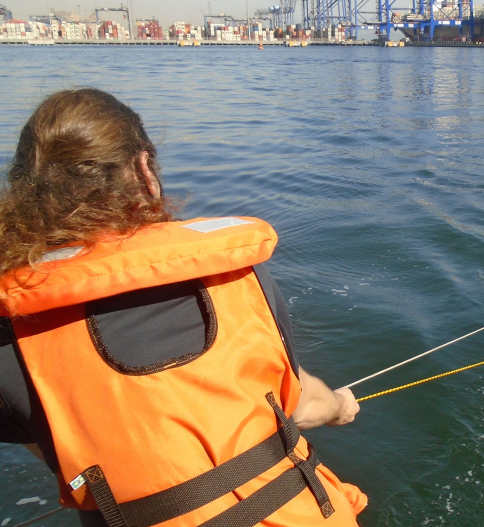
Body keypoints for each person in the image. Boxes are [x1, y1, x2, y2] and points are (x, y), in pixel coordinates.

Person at [0, 88, 367, 526]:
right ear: (144, 171)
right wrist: (340, 406)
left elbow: (63, 452)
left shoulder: (11, 330)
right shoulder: (236, 275)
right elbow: (299, 401)